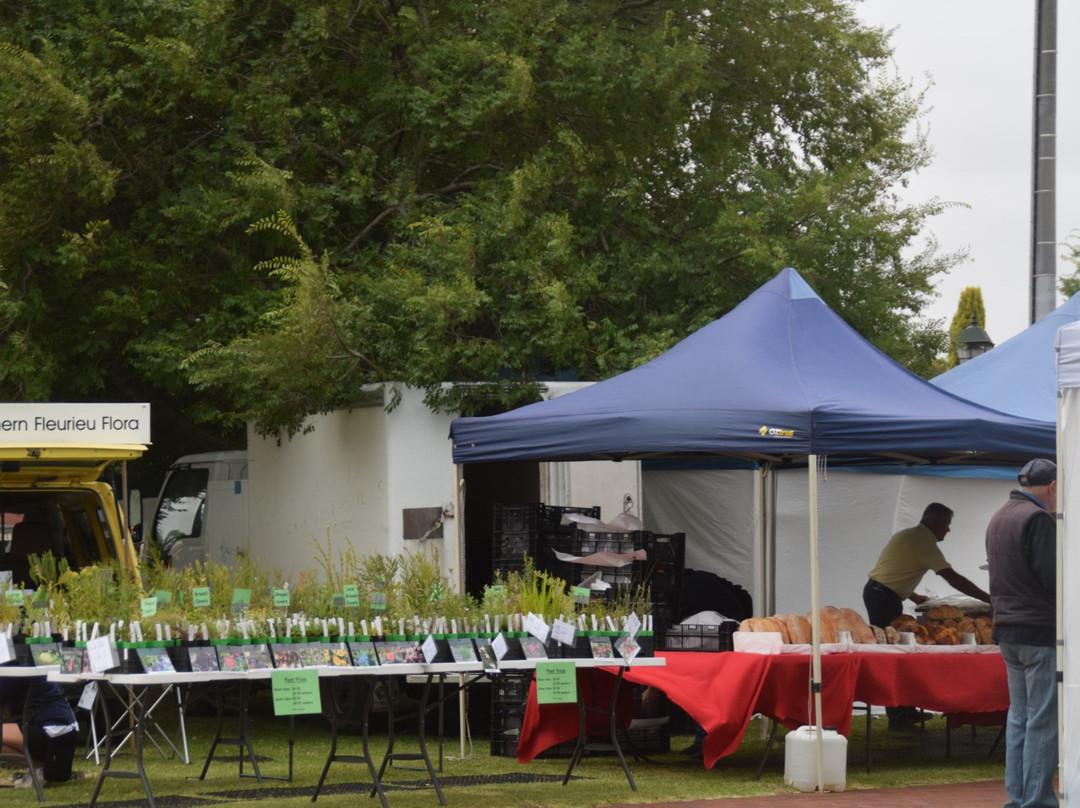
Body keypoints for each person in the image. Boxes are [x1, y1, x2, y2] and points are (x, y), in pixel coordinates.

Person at [863, 502, 990, 731]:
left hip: (879, 592)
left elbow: (891, 570)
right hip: (883, 597)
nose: (948, 530)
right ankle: (898, 717)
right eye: (947, 525)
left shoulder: (908, 535)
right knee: (895, 655)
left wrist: (913, 596)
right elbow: (951, 577)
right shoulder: (924, 541)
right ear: (935, 523)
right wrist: (987, 598)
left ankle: (905, 710)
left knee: (900, 652)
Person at [986, 458, 1058, 808]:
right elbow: (1053, 579)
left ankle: (1018, 798)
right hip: (1038, 630)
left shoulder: (1000, 514)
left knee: (1020, 717)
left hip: (1007, 629)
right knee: (1042, 721)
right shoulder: (1037, 519)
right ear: (1053, 487)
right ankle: (1037, 801)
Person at [0, 676, 78, 787]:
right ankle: (41, 769)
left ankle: (41, 770)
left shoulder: (15, 668)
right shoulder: (26, 662)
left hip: (51, 731)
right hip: (62, 729)